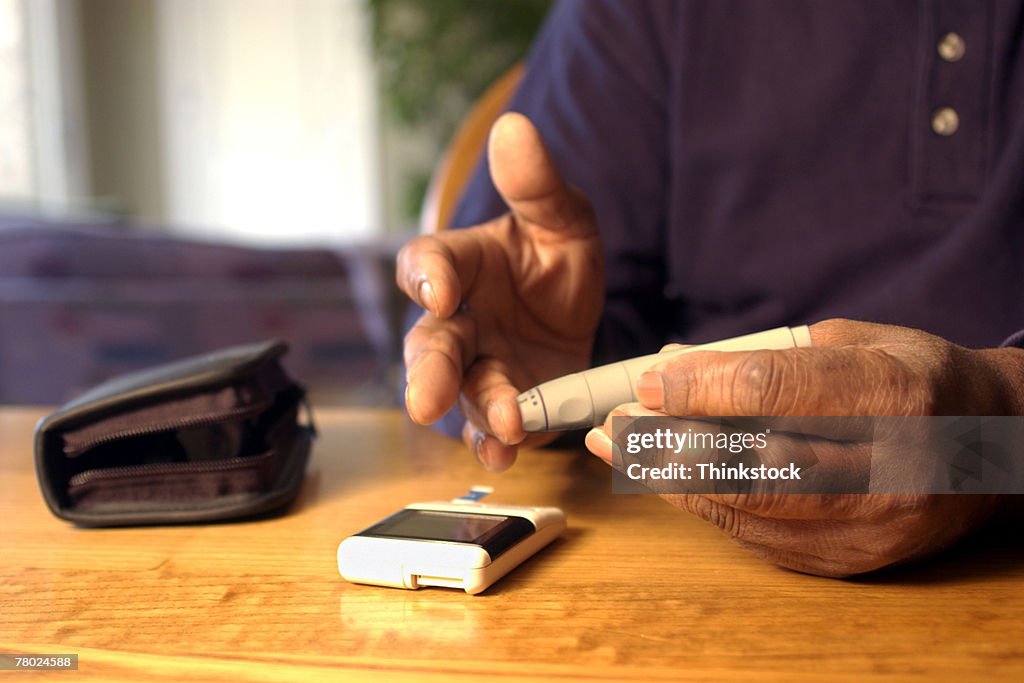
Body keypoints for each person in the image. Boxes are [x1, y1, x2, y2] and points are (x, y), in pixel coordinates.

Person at [396, 0, 1024, 577]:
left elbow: (993, 446)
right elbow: (453, 343)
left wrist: (997, 445)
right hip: (695, 559)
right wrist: (563, 358)